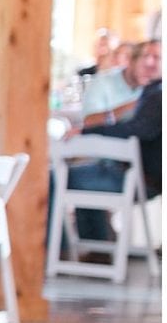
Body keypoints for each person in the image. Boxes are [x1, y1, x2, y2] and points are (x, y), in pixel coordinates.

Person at [68, 73, 162, 244]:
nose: (150, 63)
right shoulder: (154, 90)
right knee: (81, 174)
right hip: (133, 173)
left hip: (141, 178)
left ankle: (67, 249)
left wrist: (86, 132)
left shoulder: (159, 94)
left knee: (59, 178)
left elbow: (135, 131)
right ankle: (97, 246)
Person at [82, 39, 160, 126]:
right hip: (106, 138)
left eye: (157, 60)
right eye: (144, 62)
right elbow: (88, 122)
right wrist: (132, 107)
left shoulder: (156, 87)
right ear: (130, 60)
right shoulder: (102, 82)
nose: (150, 67)